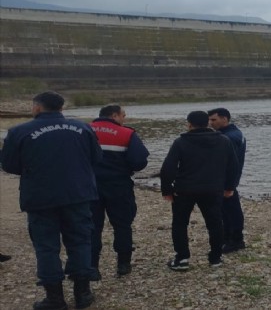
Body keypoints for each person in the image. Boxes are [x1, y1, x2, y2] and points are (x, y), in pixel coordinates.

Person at [1, 91, 102, 310]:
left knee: (46, 247)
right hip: (78, 194)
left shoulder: (19, 131)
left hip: (40, 197)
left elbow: (8, 165)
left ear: (36, 107)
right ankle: (82, 293)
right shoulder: (84, 128)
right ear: (61, 108)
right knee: (80, 241)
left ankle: (55, 298)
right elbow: (96, 158)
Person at [160, 111, 239, 270]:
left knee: (180, 223)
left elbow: (168, 168)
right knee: (215, 223)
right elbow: (233, 166)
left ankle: (182, 258)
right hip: (212, 189)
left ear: (189, 124)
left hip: (184, 189)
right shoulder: (223, 141)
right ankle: (216, 257)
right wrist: (230, 187)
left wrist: (167, 190)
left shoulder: (181, 142)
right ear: (207, 123)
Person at [89, 104, 149, 280]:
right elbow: (139, 162)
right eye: (123, 115)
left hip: (89, 186)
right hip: (118, 185)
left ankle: (92, 267)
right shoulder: (126, 133)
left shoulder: (84, 131)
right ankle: (123, 264)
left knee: (92, 227)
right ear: (114, 115)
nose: (124, 118)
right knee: (122, 225)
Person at [208, 107, 247, 253]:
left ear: (225, 119)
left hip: (227, 180)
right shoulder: (227, 134)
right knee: (224, 210)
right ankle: (228, 237)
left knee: (231, 210)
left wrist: (230, 183)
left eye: (214, 120)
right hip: (223, 179)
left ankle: (236, 240)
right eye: (210, 120)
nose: (211, 123)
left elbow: (230, 162)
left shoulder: (231, 137)